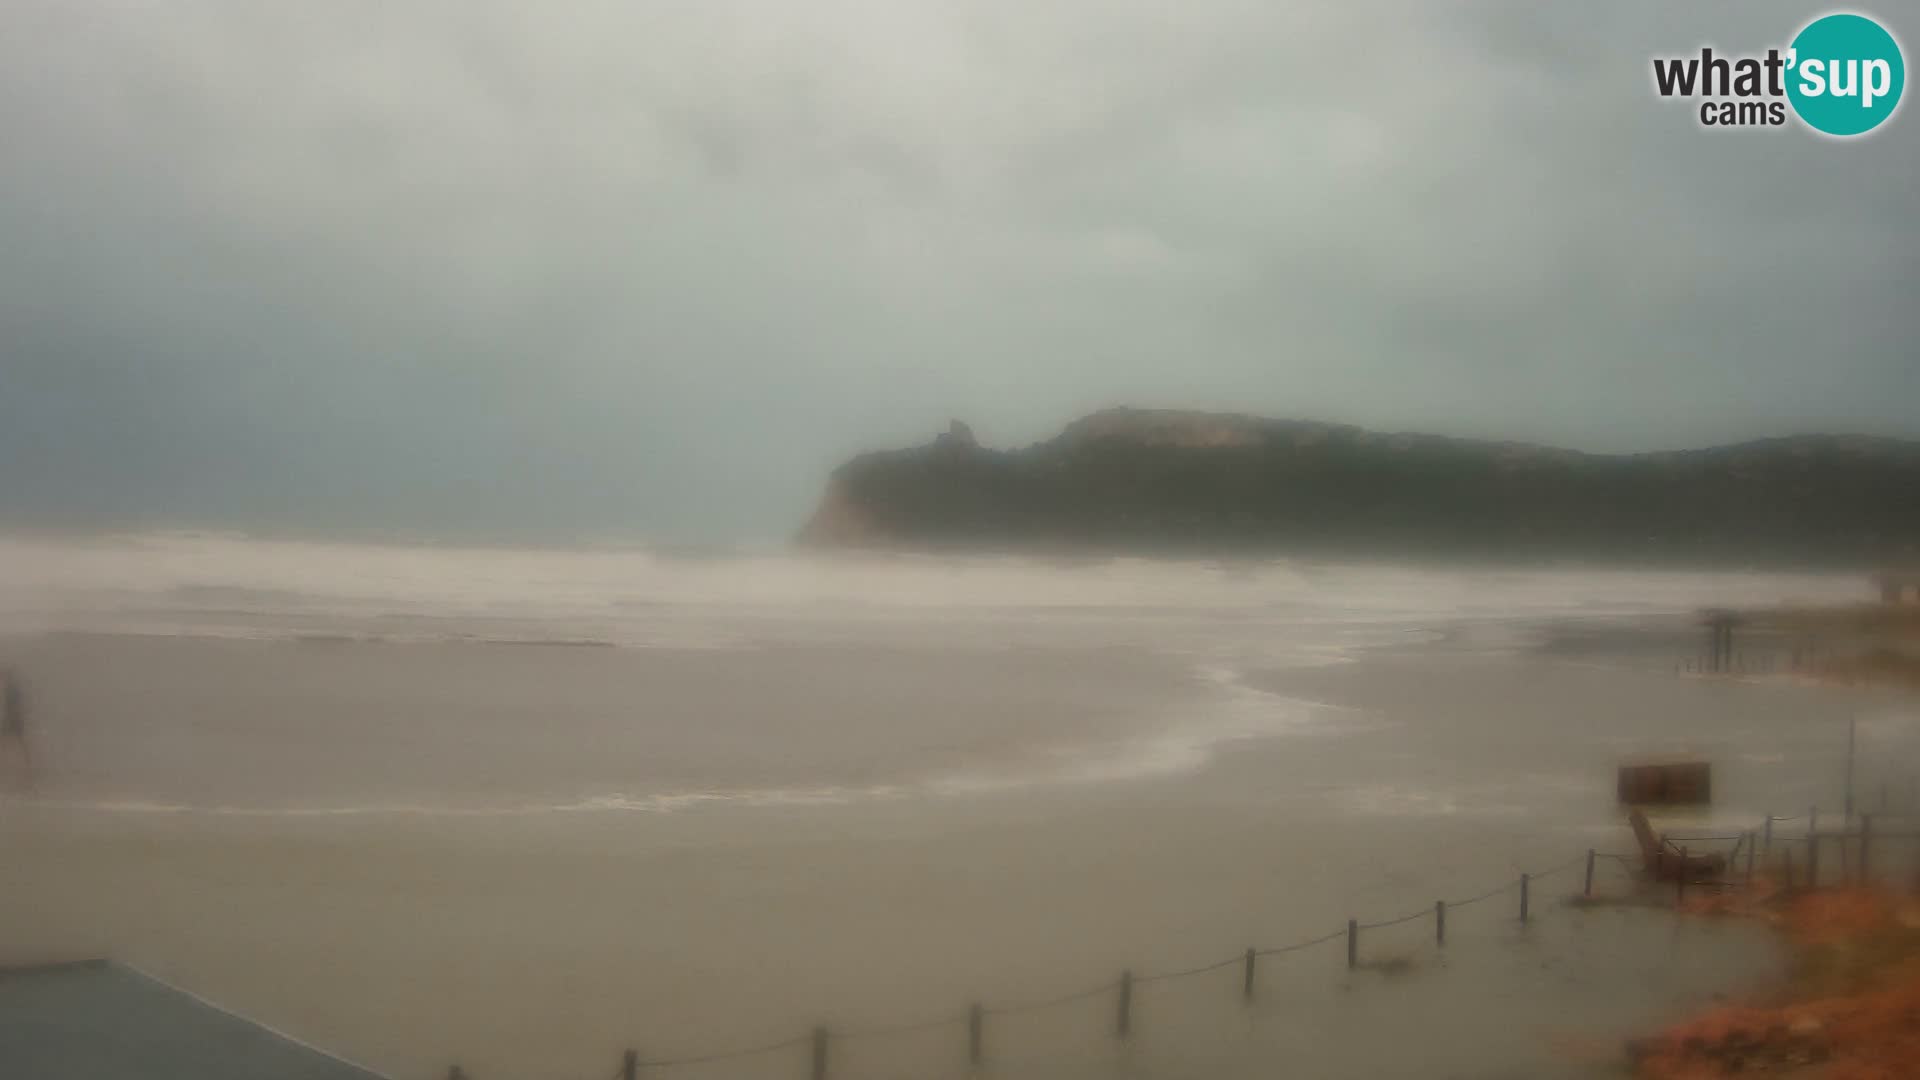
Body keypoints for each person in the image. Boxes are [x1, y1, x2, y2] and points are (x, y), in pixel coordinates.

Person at [0, 667, 29, 787]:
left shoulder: (12, 690)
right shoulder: (11, 689)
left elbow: (13, 708)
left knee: (19, 746)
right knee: (19, 746)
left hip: (13, 721)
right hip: (12, 721)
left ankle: (26, 775)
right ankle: (26, 774)